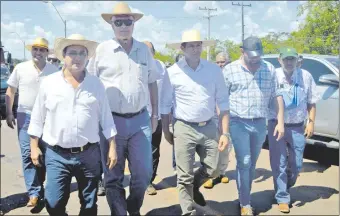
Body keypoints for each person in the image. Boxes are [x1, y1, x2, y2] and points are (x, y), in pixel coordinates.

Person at [27, 34, 118, 216]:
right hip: (56, 154)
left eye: (82, 53)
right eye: (72, 53)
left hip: (89, 154)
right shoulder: (49, 83)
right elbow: (37, 117)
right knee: (53, 203)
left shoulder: (96, 84)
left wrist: (112, 147)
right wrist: (34, 146)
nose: (77, 57)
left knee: (89, 203)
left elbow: (106, 118)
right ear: (64, 56)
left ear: (87, 57)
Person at [87, 2, 159, 215]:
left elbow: (152, 82)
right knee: (112, 176)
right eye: (118, 22)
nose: (123, 25)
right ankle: (119, 212)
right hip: (111, 123)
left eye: (128, 21)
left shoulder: (144, 50)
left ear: (134, 24)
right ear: (112, 24)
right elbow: (90, 84)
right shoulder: (102, 50)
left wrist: (155, 113)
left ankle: (133, 207)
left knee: (144, 174)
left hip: (140, 121)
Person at [161, 29, 231, 216]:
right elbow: (165, 104)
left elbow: (223, 102)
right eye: (190, 45)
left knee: (214, 167)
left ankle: (193, 187)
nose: (195, 48)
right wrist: (166, 131)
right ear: (183, 48)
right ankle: (188, 212)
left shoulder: (213, 70)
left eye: (198, 44)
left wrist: (224, 132)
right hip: (183, 127)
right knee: (184, 175)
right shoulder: (172, 72)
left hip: (208, 126)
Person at [222, 36, 285, 215]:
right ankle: (245, 203)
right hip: (238, 122)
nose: (256, 59)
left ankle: (244, 194)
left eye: (258, 55)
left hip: (259, 123)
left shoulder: (269, 69)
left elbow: (277, 96)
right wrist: (223, 129)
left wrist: (280, 122)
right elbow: (221, 100)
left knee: (252, 163)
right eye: (252, 55)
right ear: (242, 52)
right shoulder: (230, 70)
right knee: (245, 161)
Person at [5, 37, 58, 208]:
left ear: (47, 52)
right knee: (28, 154)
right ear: (31, 51)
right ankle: (34, 193)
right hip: (25, 116)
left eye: (42, 49)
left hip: (47, 118)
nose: (38, 52)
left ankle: (45, 188)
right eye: (35, 49)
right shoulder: (20, 68)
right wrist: (8, 113)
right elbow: (11, 91)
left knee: (46, 155)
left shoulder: (54, 70)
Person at [267, 47, 319, 213]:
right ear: (279, 60)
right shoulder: (273, 75)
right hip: (276, 125)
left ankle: (284, 185)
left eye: (292, 59)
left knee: (296, 164)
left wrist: (311, 122)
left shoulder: (306, 76)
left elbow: (311, 101)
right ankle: (282, 196)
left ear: (298, 60)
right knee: (279, 162)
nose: (289, 62)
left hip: (297, 126)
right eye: (286, 59)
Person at [203, 51, 233, 189]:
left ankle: (221, 173)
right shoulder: (211, 75)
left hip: (228, 115)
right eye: (218, 62)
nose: (221, 64)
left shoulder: (232, 75)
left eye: (223, 62)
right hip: (212, 116)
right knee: (213, 145)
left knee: (226, 145)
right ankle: (212, 174)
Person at [144, 41, 167, 196]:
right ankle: (138, 180)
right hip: (136, 118)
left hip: (155, 116)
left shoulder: (161, 67)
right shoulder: (133, 66)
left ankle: (148, 182)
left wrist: (165, 118)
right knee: (135, 152)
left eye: (149, 50)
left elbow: (165, 93)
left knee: (153, 150)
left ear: (154, 52)